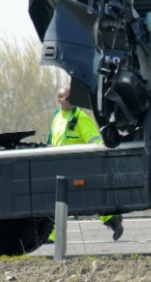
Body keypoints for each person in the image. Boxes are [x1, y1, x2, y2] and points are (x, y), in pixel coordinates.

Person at [47, 86, 124, 241]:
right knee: (57, 202)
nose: (72, 100)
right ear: (59, 100)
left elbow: (95, 141)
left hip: (78, 167)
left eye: (73, 97)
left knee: (81, 199)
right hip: (59, 167)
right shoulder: (57, 117)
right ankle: (52, 236)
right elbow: (51, 141)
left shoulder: (80, 118)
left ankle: (111, 218)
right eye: (68, 98)